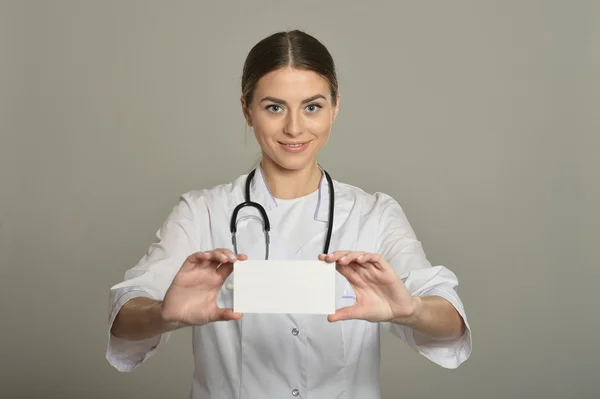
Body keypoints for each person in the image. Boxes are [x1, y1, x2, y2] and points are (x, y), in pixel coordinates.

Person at [106, 29, 472, 398]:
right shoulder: (202, 212)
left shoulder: (373, 215)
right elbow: (126, 314)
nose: (294, 128)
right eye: (274, 107)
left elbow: (451, 323)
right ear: (247, 110)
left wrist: (409, 310)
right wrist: (162, 315)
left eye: (312, 106)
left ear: (335, 107)